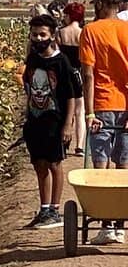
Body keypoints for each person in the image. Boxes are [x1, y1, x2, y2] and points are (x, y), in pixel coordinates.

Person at [79, 0, 128, 244]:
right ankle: (120, 224)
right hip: (125, 105)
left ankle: (106, 224)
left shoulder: (91, 31)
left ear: (99, 3)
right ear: (119, 4)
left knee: (100, 162)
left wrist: (89, 113)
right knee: (124, 163)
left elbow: (88, 75)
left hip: (101, 104)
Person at [22, 13, 80, 229]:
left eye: (42, 34)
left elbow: (71, 96)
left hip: (55, 122)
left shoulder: (61, 62)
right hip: (35, 121)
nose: (38, 38)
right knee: (39, 164)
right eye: (34, 35)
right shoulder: (33, 59)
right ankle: (44, 208)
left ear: (52, 36)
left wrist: (68, 125)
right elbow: (29, 88)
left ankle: (55, 210)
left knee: (54, 163)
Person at [58, 1, 86, 156]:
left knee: (64, 108)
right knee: (80, 111)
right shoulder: (83, 33)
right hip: (78, 74)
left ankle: (63, 141)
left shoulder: (61, 33)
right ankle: (80, 146)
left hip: (63, 74)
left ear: (69, 15)